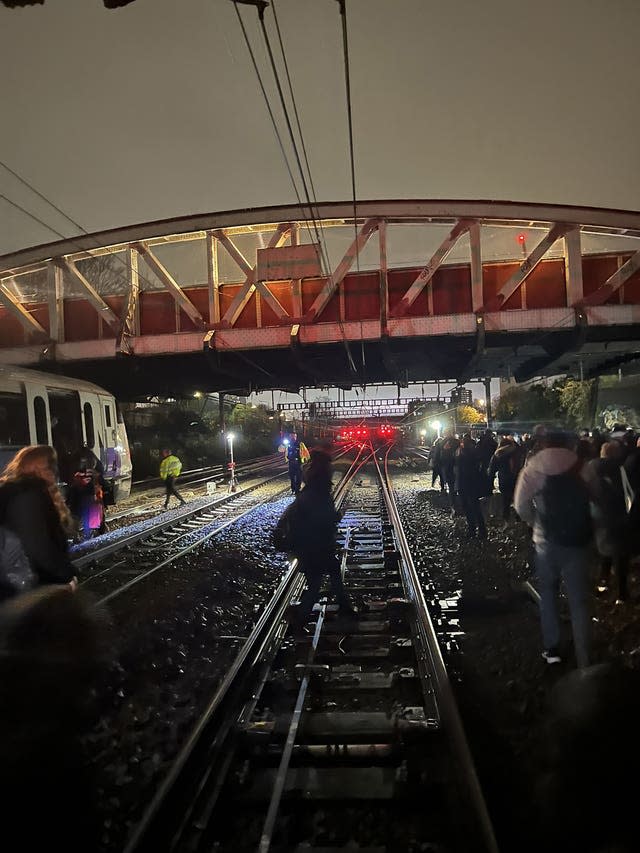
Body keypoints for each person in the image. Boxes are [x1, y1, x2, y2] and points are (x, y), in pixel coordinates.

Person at [514, 431, 592, 667]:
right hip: (578, 543)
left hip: (545, 542)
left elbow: (521, 506)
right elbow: (596, 498)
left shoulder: (533, 467)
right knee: (579, 601)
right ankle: (585, 658)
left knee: (548, 596)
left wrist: (534, 522)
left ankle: (553, 651)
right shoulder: (581, 465)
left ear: (542, 443)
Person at [277, 449, 355, 629]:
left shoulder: (308, 491)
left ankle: (343, 607)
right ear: (325, 470)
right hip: (316, 546)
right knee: (317, 582)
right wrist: (338, 516)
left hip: (308, 545)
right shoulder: (319, 493)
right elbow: (326, 518)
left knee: (323, 577)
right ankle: (301, 618)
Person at [0, 445, 76, 598]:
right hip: (25, 589)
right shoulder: (28, 495)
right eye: (52, 465)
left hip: (17, 586)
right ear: (43, 467)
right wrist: (65, 576)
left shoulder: (17, 491)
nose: (56, 470)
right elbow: (37, 546)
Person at [586, 442, 631, 602]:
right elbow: (628, 494)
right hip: (617, 516)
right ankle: (622, 593)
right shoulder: (620, 468)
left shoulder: (588, 468)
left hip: (596, 516)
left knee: (603, 551)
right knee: (620, 554)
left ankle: (603, 584)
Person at [67, 447, 106, 541]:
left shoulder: (74, 459)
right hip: (90, 492)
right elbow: (101, 475)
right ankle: (92, 533)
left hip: (77, 492)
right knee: (93, 511)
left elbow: (68, 476)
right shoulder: (93, 460)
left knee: (75, 514)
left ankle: (77, 535)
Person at [454, 434, 487, 539]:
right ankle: (480, 530)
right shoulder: (474, 454)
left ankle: (473, 529)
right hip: (471, 484)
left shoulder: (461, 454)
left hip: (464, 483)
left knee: (469, 507)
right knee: (474, 507)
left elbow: (455, 467)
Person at [488, 435, 523, 522]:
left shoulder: (498, 453)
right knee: (517, 498)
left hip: (504, 479)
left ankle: (506, 519)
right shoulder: (517, 451)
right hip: (516, 478)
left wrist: (490, 483)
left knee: (505, 500)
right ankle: (519, 517)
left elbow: (492, 469)